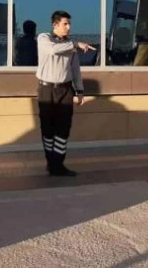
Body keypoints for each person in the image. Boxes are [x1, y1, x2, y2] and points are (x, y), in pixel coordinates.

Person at [36, 11, 95, 176]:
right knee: (48, 128)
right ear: (55, 24)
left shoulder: (70, 44)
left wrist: (80, 90)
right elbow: (53, 50)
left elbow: (75, 69)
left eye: (69, 24)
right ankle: (51, 163)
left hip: (66, 89)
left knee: (63, 127)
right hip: (47, 89)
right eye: (65, 24)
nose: (68, 27)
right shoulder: (44, 38)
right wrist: (75, 45)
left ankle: (58, 164)